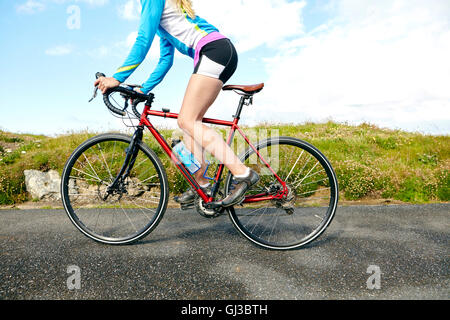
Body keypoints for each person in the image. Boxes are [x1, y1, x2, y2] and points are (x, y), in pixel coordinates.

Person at [94, 0, 259, 207]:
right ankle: (201, 183)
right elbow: (165, 60)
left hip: (213, 51)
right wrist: (143, 89)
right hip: (218, 51)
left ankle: (242, 173)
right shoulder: (163, 19)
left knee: (187, 121)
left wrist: (117, 78)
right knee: (191, 123)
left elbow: (143, 40)